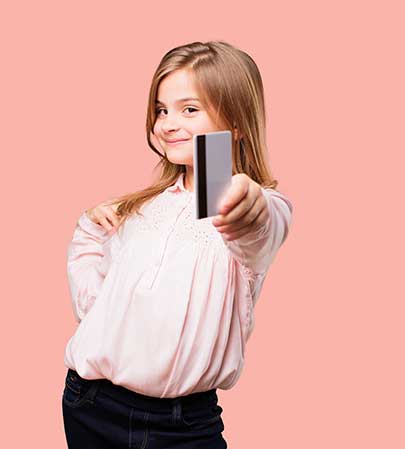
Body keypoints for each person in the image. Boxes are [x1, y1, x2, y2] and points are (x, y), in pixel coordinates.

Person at [61, 40, 293, 449]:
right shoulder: (139, 208)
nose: (167, 124)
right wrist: (92, 239)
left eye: (189, 109)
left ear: (236, 121)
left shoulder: (244, 205)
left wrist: (245, 200)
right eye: (161, 109)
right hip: (91, 404)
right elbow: (91, 280)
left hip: (182, 424)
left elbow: (258, 227)